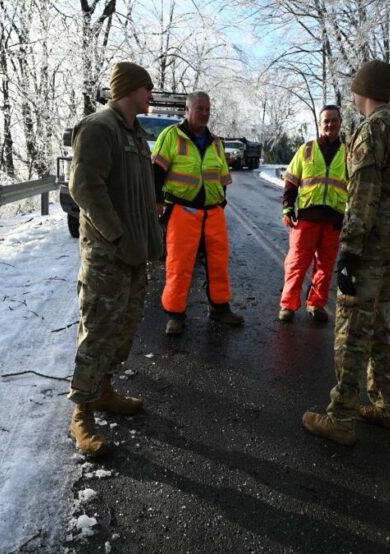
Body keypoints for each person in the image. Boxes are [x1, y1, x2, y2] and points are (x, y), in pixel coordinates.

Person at [302, 60, 390, 445]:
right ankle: (389, 406)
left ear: (364, 90)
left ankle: (341, 416)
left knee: (352, 329)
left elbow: (363, 195)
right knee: (376, 326)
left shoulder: (373, 130)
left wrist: (350, 251)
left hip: (369, 246)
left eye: (356, 89)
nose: (353, 96)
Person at [66, 62, 162, 456]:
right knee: (99, 330)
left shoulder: (136, 136)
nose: (151, 96)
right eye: (147, 89)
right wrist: (118, 235)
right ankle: (82, 413)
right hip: (108, 255)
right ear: (129, 89)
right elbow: (84, 187)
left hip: (134, 254)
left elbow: (139, 195)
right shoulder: (99, 127)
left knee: (124, 327)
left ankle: (104, 390)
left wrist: (149, 242)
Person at [152, 91, 244, 335]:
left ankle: (220, 308)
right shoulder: (171, 136)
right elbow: (157, 171)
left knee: (218, 262)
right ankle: (175, 315)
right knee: (179, 264)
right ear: (187, 110)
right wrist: (158, 200)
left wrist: (221, 202)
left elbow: (222, 178)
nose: (204, 113)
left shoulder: (216, 142)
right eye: (199, 108)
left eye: (207, 109)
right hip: (182, 210)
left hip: (213, 212)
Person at [278, 105, 348, 324]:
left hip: (333, 220)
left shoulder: (349, 154)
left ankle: (316, 304)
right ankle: (288, 305)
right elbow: (291, 180)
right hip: (307, 218)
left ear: (340, 123)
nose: (330, 124)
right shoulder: (306, 149)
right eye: (326, 121)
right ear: (320, 124)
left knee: (325, 266)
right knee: (297, 262)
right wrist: (288, 207)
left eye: (334, 120)